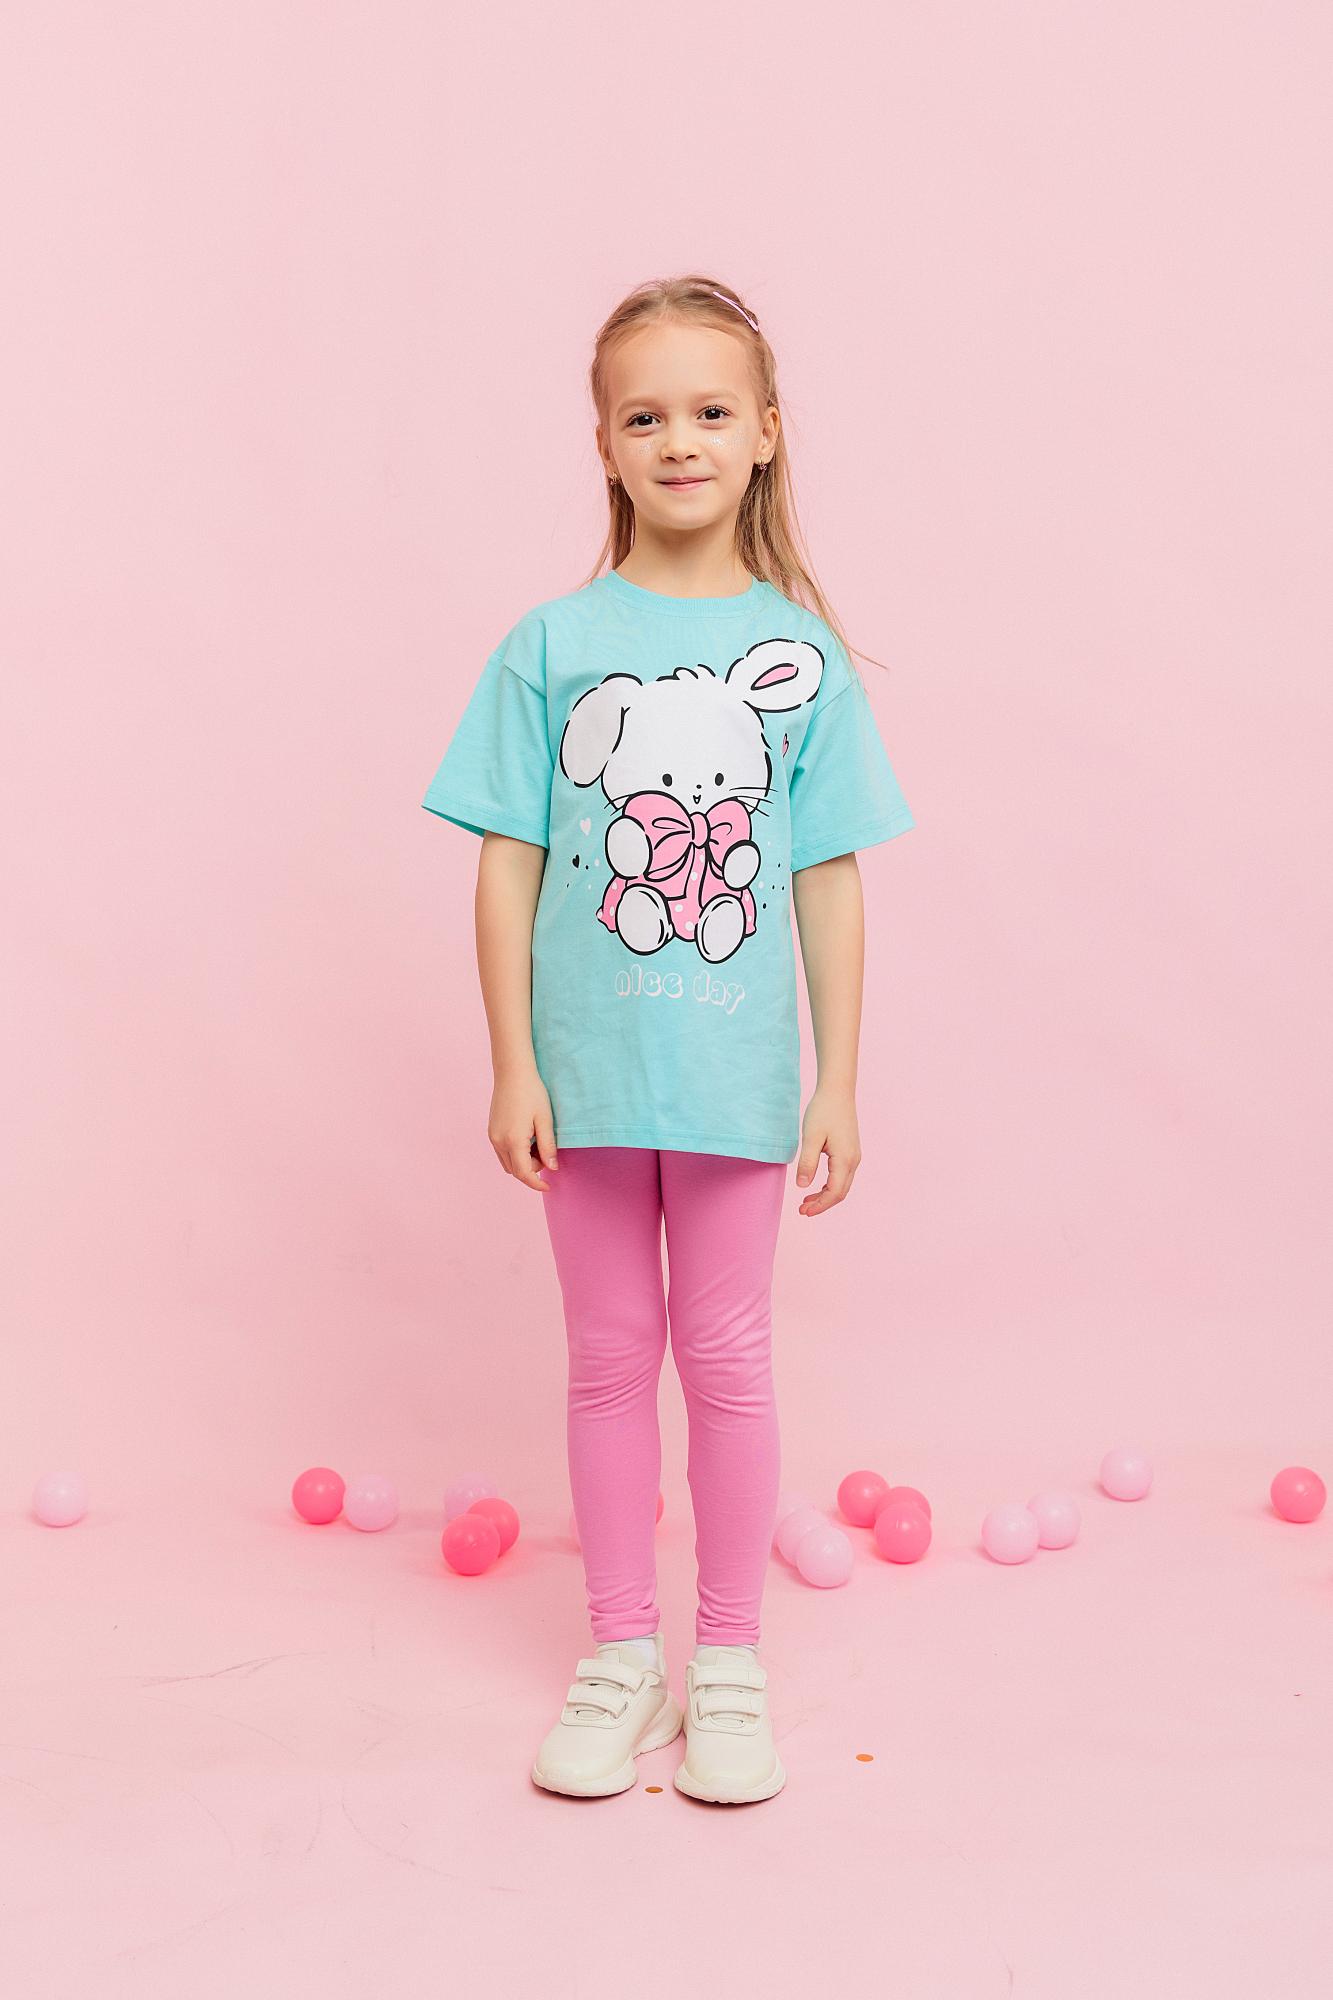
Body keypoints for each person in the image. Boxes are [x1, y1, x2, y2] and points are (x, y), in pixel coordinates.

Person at [420, 273, 914, 1804]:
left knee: (728, 1356)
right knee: (606, 1357)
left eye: (709, 412)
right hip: (584, 1079)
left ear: (763, 434)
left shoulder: (799, 657)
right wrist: (513, 1061)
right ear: (604, 444)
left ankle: (728, 1662)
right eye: (645, 416)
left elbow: (824, 878)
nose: (678, 440)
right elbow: (506, 862)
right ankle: (622, 1654)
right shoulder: (552, 643)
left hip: (732, 1081)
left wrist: (837, 1079)